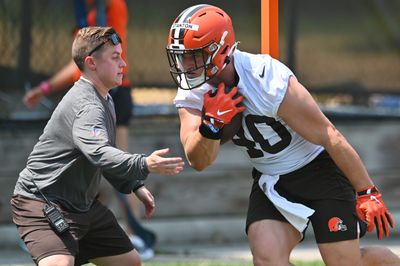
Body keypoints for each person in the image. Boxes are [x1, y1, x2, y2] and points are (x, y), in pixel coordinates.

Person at [166, 4, 400, 266]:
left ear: (220, 50)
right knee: (267, 258)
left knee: (345, 263)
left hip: (320, 171)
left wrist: (366, 190)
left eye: (193, 56)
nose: (185, 65)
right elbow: (198, 160)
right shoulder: (192, 92)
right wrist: (211, 126)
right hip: (272, 178)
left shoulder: (265, 78)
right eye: (181, 55)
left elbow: (328, 134)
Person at [11, 26, 184, 266]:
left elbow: (101, 156)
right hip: (42, 202)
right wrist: (144, 163)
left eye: (121, 56)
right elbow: (99, 153)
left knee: (129, 262)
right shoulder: (88, 105)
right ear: (91, 62)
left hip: (83, 206)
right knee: (60, 264)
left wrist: (132, 184)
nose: (123, 64)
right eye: (115, 57)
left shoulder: (105, 98)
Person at [22, 0, 157, 259]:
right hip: (45, 198)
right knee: (104, 166)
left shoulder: (113, 9)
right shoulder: (87, 21)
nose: (123, 63)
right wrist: (45, 88)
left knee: (117, 161)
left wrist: (139, 173)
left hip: (117, 94)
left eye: (121, 57)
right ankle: (54, 232)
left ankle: (133, 233)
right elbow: (81, 64)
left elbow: (106, 57)